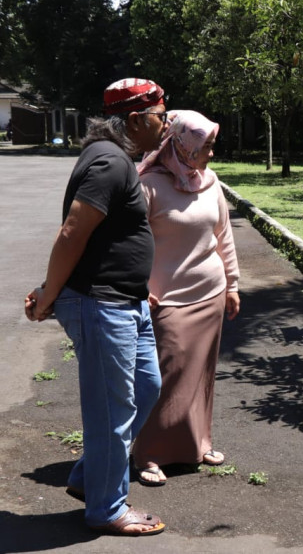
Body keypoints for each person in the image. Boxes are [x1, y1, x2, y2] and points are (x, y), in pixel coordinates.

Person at [24, 78, 169, 536]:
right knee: (112, 408)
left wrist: (132, 284)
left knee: (145, 387)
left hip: (123, 299)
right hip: (102, 305)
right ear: (135, 120)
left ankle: (90, 476)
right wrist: (49, 294)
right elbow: (72, 233)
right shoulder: (109, 161)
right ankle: (107, 509)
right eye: (160, 116)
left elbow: (103, 238)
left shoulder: (112, 158)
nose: (165, 124)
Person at [131, 110, 240, 486]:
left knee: (201, 374)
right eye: (205, 147)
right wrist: (138, 288)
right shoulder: (148, 184)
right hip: (165, 299)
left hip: (210, 293)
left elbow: (223, 235)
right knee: (164, 379)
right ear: (182, 145)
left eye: (211, 146)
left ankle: (199, 441)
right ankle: (148, 454)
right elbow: (131, 245)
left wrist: (233, 284)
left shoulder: (210, 182)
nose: (210, 153)